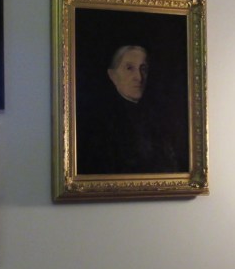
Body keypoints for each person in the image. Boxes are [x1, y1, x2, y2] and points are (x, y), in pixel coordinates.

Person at [77, 45, 181, 174]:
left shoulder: (156, 117)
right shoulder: (100, 123)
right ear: (113, 75)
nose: (139, 77)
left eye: (143, 69)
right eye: (129, 68)